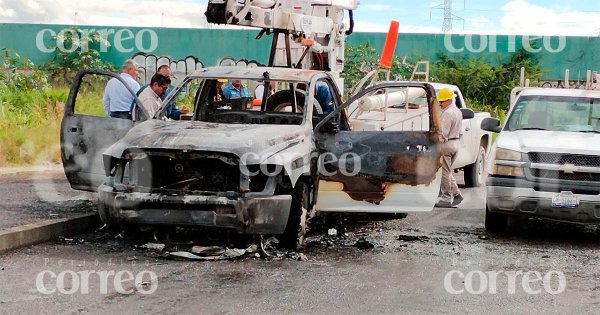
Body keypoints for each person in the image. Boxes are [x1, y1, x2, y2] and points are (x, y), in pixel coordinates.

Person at [435, 87, 464, 208]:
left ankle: (446, 199)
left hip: (447, 144)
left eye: (442, 101)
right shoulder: (457, 111)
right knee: (447, 171)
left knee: (444, 174)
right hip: (455, 143)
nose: (440, 103)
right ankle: (457, 194)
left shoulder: (447, 113)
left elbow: (443, 134)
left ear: (449, 100)